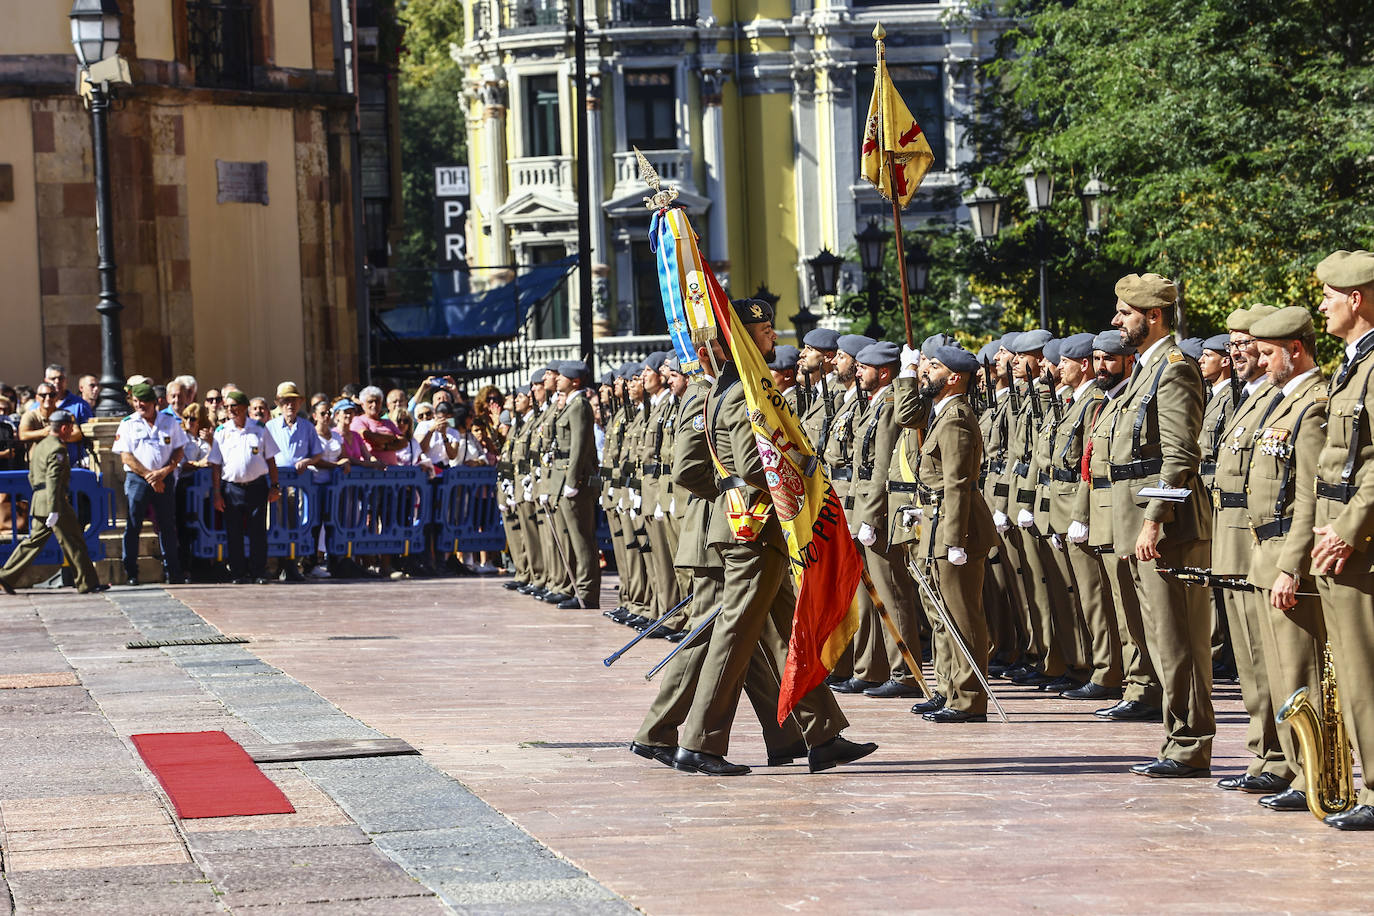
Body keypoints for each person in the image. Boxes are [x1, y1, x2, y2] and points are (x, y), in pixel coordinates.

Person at [676, 297, 875, 776]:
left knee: (790, 632)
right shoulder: (745, 393)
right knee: (735, 632)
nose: (772, 337)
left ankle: (822, 733)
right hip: (756, 527)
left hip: (749, 524)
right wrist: (800, 477)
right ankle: (700, 742)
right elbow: (752, 467)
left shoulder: (729, 388)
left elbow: (701, 470)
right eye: (763, 331)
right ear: (745, 336)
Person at [1106, 272, 1214, 779]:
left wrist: (1152, 522)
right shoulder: (1146, 370)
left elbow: (1179, 458)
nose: (1115, 320)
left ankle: (1190, 744)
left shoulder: (1174, 369)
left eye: (1124, 313)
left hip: (1167, 525)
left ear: (1153, 317)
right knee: (1159, 637)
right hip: (1141, 518)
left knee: (1178, 640)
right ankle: (1176, 738)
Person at [1243, 305, 1328, 814]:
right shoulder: (1284, 402)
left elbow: (1309, 496)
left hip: (1285, 553)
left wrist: (1292, 565)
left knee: (1301, 676)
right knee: (1280, 676)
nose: (1261, 359)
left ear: (1294, 351)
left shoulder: (1313, 405)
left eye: (1269, 352)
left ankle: (1315, 776)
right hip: (1264, 550)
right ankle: (1297, 772)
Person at [1309, 249, 1374, 829]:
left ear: (1356, 299)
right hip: (1334, 534)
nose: (1321, 306)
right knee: (1349, 669)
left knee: (1364, 668)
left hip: (1358, 543)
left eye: (1329, 296)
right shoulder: (1352, 363)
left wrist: (1350, 530)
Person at [905, 345, 997, 722]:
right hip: (936, 519)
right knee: (942, 613)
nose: (927, 371)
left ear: (954, 377)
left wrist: (955, 540)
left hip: (957, 526)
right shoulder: (940, 413)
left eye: (935, 367)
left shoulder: (957, 417)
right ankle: (949, 689)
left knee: (963, 617)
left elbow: (958, 483)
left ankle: (970, 699)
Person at [0, 410, 105, 595]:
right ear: (64, 428)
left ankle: (6, 575)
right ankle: (87, 582)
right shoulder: (57, 448)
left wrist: (40, 498)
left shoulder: (40, 445)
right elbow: (54, 479)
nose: (71, 430)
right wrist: (54, 508)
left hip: (40, 500)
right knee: (74, 541)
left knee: (33, 542)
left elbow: (32, 475)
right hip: (55, 501)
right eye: (70, 427)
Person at [113, 382, 189, 586]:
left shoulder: (170, 422)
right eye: (136, 401)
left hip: (164, 477)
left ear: (155, 402)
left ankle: (172, 571)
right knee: (133, 524)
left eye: (144, 402)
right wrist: (150, 476)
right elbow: (126, 457)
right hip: (139, 479)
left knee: (167, 525)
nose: (139, 405)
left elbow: (179, 450)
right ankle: (131, 571)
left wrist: (163, 472)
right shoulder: (128, 423)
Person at [208, 390, 280, 584]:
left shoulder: (259, 428)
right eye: (227, 406)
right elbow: (215, 465)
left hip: (257, 486)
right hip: (232, 488)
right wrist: (217, 493)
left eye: (234, 406)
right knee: (234, 531)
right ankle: (238, 572)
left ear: (244, 407)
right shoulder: (221, 432)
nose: (230, 410)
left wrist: (274, 486)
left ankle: (258, 571)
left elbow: (271, 459)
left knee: (258, 530)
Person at [265, 382, 329, 582]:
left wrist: (308, 461)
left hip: (300, 483)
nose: (289, 405)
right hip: (276, 481)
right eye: (285, 401)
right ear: (278, 403)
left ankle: (294, 565)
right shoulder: (270, 426)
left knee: (297, 525)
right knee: (275, 524)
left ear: (300, 403)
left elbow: (317, 453)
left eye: (293, 400)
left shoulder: (307, 427)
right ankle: (274, 567)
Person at [551, 360, 601, 609]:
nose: (557, 380)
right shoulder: (570, 405)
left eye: (562, 377)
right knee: (572, 539)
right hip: (564, 480)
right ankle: (576, 588)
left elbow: (579, 447)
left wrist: (571, 481)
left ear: (575, 381)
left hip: (576, 482)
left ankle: (587, 593)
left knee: (582, 540)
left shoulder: (579, 405)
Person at [353, 386, 406, 465]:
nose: (374, 405)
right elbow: (367, 435)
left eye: (377, 401)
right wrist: (392, 437)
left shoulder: (388, 422)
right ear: (362, 404)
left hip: (392, 469)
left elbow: (404, 442)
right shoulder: (358, 420)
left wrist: (385, 447)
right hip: (370, 470)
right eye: (370, 401)